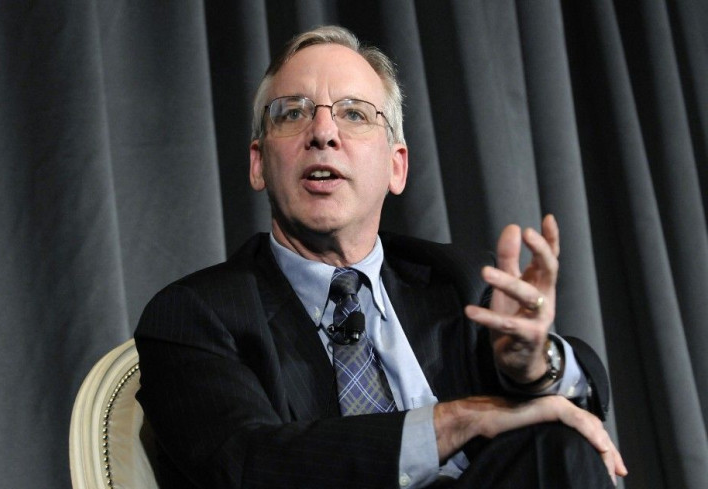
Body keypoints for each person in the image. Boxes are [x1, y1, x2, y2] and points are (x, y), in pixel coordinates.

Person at [134, 25, 627, 489]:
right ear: (259, 163)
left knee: (559, 447)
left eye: (353, 113)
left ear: (397, 166)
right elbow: (248, 464)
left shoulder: (456, 284)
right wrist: (460, 417)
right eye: (293, 112)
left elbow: (588, 388)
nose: (323, 133)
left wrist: (534, 367)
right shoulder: (194, 315)